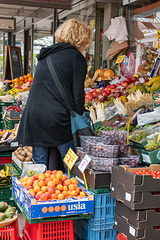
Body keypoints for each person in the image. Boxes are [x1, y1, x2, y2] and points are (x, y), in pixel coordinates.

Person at [17, 19, 92, 168]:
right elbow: (77, 95)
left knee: (39, 165)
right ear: (82, 38)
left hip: (34, 115)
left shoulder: (46, 55)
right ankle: (72, 187)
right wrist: (77, 118)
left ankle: (36, 190)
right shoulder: (76, 57)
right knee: (71, 161)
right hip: (58, 119)